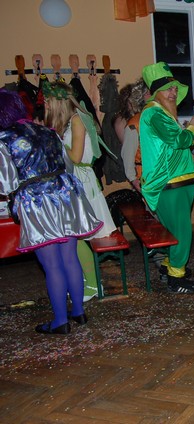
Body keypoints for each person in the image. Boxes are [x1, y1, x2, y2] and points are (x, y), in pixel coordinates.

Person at [0, 88, 103, 334]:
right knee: (70, 258)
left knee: (52, 265)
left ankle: (60, 321)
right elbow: (67, 164)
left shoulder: (4, 139)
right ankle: (78, 311)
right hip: (66, 195)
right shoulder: (47, 131)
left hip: (38, 202)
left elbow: (6, 183)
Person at [43, 81, 118, 302]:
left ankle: (93, 284)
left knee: (75, 236)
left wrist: (52, 141)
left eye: (47, 101)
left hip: (81, 182)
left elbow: (75, 157)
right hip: (73, 181)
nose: (45, 105)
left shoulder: (77, 119)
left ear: (58, 101)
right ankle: (85, 280)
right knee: (73, 236)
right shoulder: (68, 121)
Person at [139, 62, 194, 292]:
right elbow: (178, 141)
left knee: (174, 230)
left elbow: (172, 145)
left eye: (175, 88)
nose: (174, 92)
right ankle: (177, 278)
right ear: (156, 92)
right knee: (181, 231)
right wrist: (193, 128)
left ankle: (170, 266)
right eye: (168, 88)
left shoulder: (162, 114)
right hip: (170, 182)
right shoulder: (155, 113)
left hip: (175, 182)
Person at [120, 79, 150, 192]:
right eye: (148, 93)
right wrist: (133, 179)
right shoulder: (135, 124)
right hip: (146, 177)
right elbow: (127, 154)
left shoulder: (163, 119)